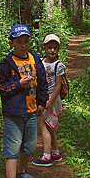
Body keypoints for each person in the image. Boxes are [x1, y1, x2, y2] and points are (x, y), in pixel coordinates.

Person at [0, 24, 49, 178]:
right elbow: (0, 86)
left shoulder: (35, 59)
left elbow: (43, 82)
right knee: (12, 147)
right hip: (14, 112)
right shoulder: (7, 63)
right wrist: (18, 84)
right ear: (12, 43)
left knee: (29, 146)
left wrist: (42, 102)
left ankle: (22, 172)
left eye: (26, 41)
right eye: (19, 42)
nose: (23, 45)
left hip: (32, 110)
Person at [32, 34, 65, 167]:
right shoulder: (40, 63)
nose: (52, 50)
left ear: (58, 49)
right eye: (49, 47)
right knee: (50, 125)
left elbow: (58, 85)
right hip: (43, 96)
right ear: (44, 48)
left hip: (51, 98)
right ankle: (55, 152)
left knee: (44, 125)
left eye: (55, 48)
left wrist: (50, 101)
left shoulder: (59, 66)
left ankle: (46, 155)